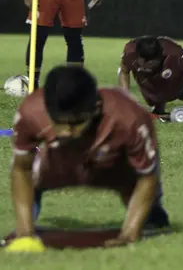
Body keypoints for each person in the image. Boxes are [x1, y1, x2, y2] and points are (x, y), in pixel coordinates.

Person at [9, 66, 170, 249]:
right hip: (60, 162)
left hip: (115, 165)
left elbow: (146, 175)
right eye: (59, 123)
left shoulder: (129, 116)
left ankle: (153, 216)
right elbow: (22, 168)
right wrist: (24, 232)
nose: (67, 132)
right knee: (33, 174)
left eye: (76, 123)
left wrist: (129, 234)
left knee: (152, 218)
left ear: (96, 107)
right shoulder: (31, 111)